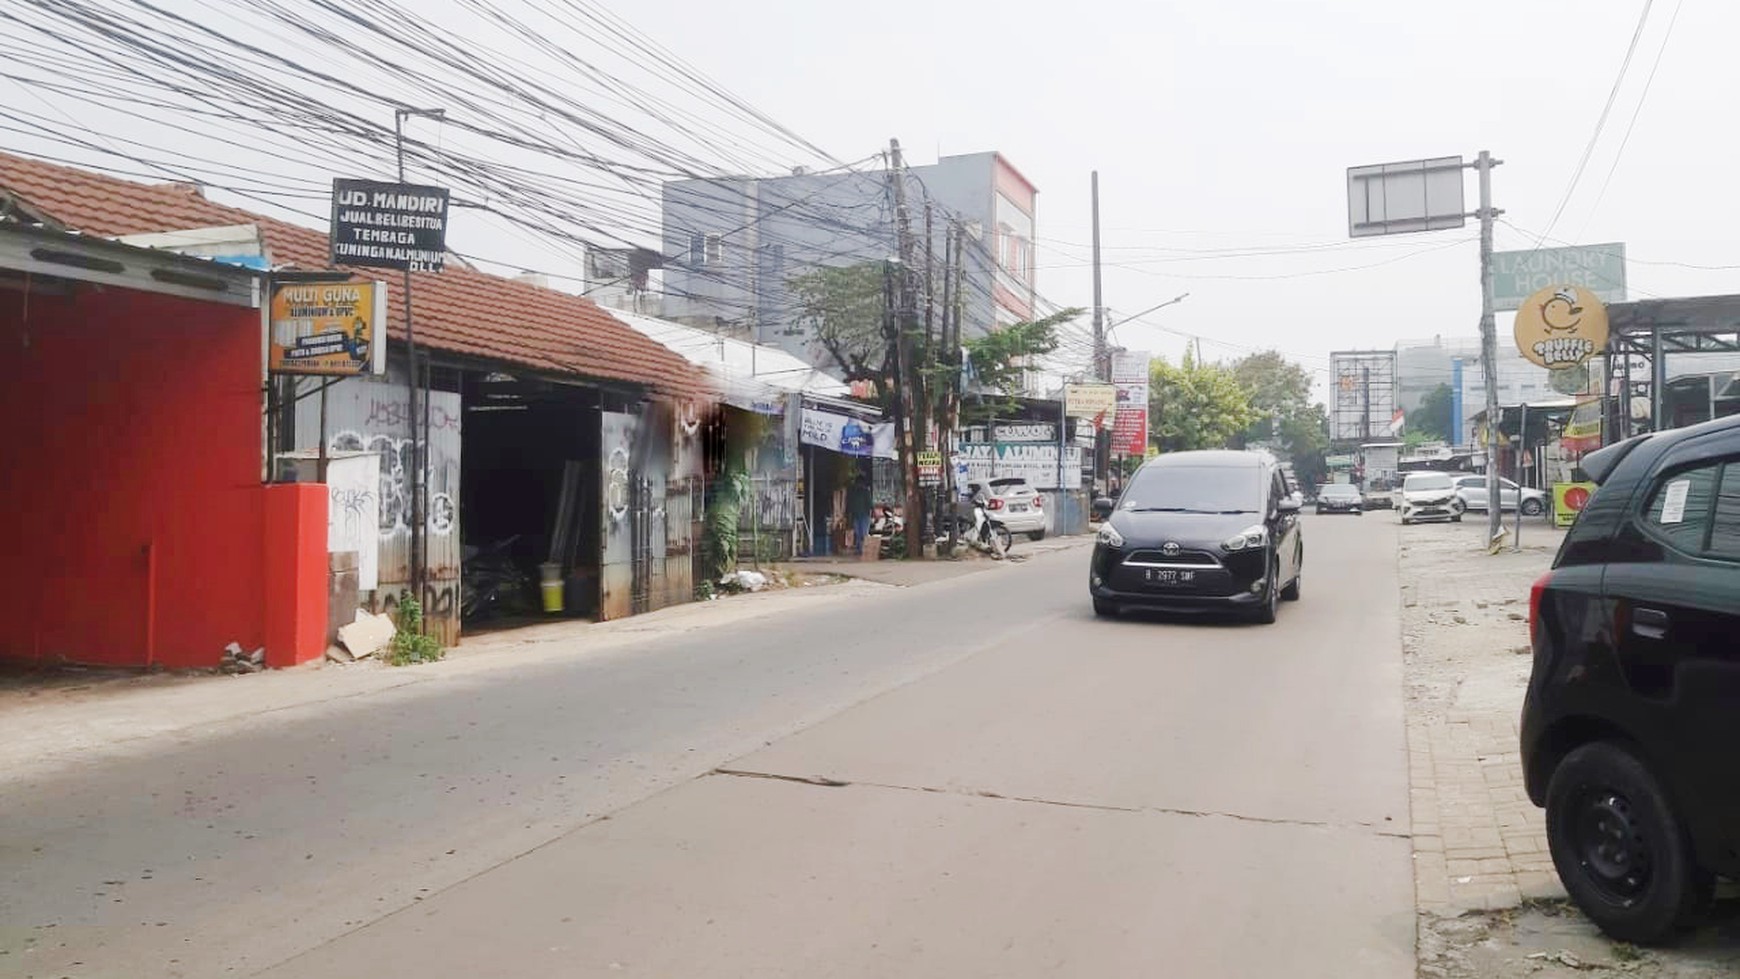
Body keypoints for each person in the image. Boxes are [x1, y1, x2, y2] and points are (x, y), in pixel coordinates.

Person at [846, 474, 873, 554]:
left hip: (864, 516)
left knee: (863, 534)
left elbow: (870, 504)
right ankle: (859, 549)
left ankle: (863, 549)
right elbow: (850, 504)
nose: (859, 484)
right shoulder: (854, 492)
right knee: (858, 533)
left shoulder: (865, 492)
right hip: (857, 516)